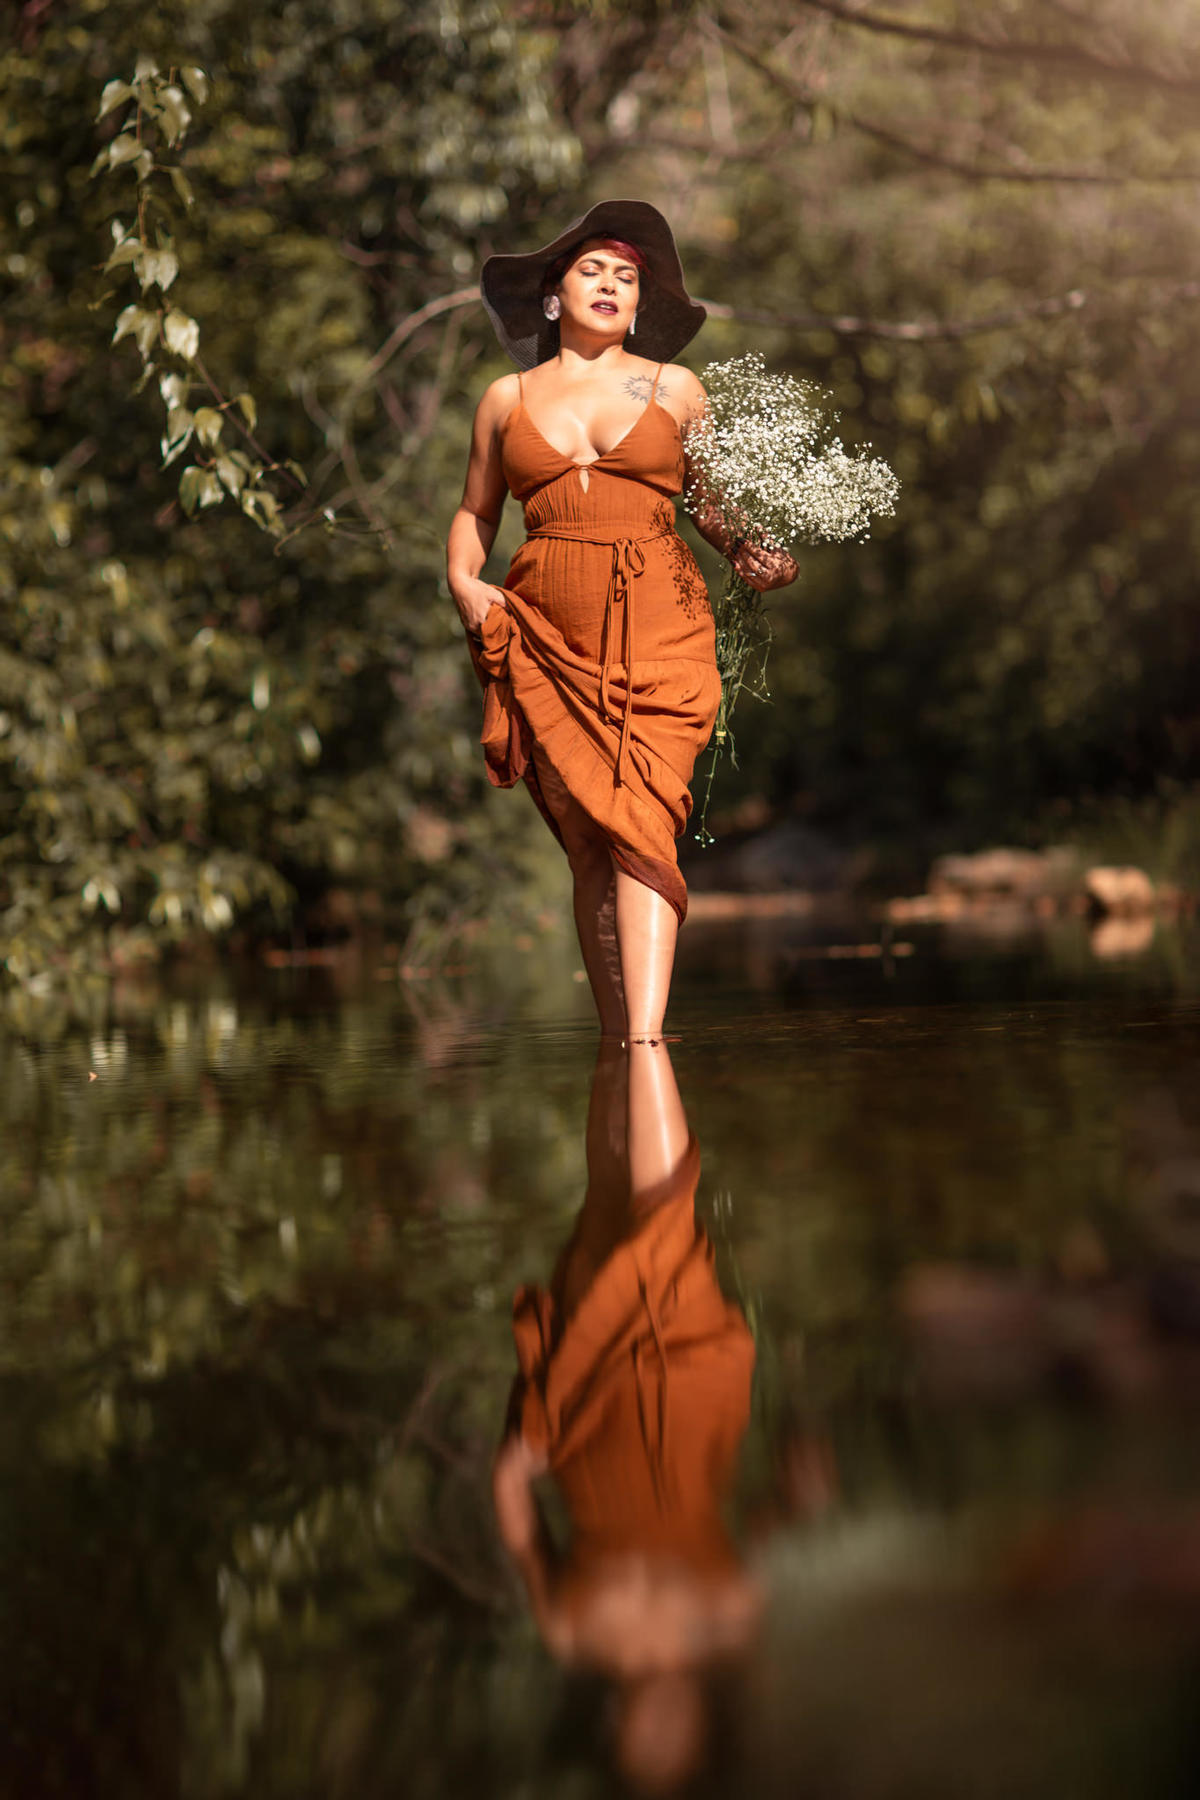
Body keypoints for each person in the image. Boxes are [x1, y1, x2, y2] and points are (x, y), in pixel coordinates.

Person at [446, 199, 797, 1040]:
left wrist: (755, 549)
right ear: (554, 297)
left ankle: (644, 1042)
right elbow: (474, 512)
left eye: (627, 278)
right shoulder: (505, 398)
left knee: (641, 817)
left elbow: (710, 508)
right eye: (592, 271)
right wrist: (462, 578)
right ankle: (622, 1045)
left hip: (662, 626)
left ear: (641, 307)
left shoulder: (676, 388)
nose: (610, 285)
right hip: (546, 631)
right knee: (587, 832)